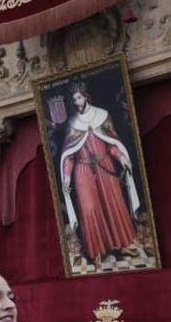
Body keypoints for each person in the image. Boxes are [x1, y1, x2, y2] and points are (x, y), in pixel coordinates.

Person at [57, 84, 144, 262]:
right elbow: (69, 156)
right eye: (73, 99)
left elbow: (112, 144)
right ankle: (99, 251)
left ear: (86, 97)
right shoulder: (72, 124)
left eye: (79, 97)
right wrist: (66, 177)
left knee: (115, 204)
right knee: (90, 209)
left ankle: (122, 244)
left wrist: (122, 158)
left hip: (106, 165)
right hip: (82, 171)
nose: (76, 102)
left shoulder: (102, 115)